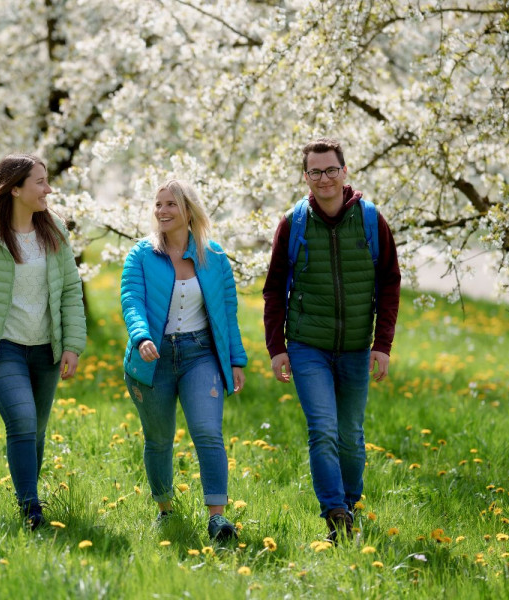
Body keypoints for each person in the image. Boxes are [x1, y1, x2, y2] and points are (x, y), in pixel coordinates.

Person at [263, 138, 401, 542]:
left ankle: (351, 505)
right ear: (305, 177)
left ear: (345, 171)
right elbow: (273, 289)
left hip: (358, 346)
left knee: (351, 435)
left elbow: (390, 283)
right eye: (314, 171)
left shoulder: (372, 221)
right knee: (323, 429)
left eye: (330, 170)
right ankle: (335, 514)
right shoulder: (293, 223)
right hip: (307, 346)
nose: (323, 178)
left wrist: (382, 344)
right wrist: (277, 348)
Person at [0, 153, 86, 530]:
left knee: (37, 430)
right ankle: (30, 509)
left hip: (46, 349)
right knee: (23, 421)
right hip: (0, 347)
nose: (48, 188)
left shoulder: (54, 230)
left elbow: (71, 292)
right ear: (15, 189)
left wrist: (72, 345)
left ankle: (30, 496)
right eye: (40, 182)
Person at [121, 179, 247, 542]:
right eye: (158, 204)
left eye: (171, 205)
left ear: (189, 211)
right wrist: (141, 336)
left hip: (200, 354)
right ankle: (165, 509)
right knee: (158, 438)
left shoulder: (215, 257)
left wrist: (236, 360)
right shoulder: (141, 255)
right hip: (153, 357)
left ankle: (218, 518)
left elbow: (228, 312)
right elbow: (132, 300)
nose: (162, 211)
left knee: (208, 432)